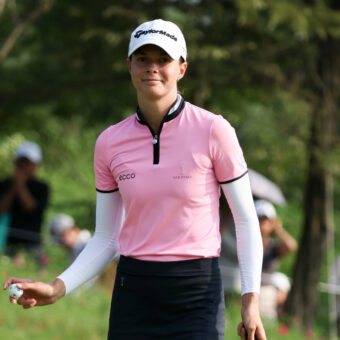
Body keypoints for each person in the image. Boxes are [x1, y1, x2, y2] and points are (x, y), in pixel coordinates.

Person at [3, 19, 266, 340]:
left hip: (196, 296)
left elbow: (246, 220)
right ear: (130, 66)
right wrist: (58, 287)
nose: (152, 67)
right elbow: (106, 237)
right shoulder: (110, 142)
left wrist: (251, 300)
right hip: (134, 293)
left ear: (182, 68)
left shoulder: (214, 130)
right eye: (143, 58)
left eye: (163, 59)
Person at [0, 141, 49, 256]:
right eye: (22, 161)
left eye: (28, 162)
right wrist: (13, 188)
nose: (24, 166)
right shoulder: (4, 184)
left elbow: (31, 208)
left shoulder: (42, 187)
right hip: (9, 243)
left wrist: (20, 186)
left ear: (36, 165)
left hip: (33, 244)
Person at [254, 199, 297, 319]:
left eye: (266, 220)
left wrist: (279, 230)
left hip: (266, 292)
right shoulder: (245, 242)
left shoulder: (273, 247)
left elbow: (291, 246)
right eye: (260, 219)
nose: (262, 223)